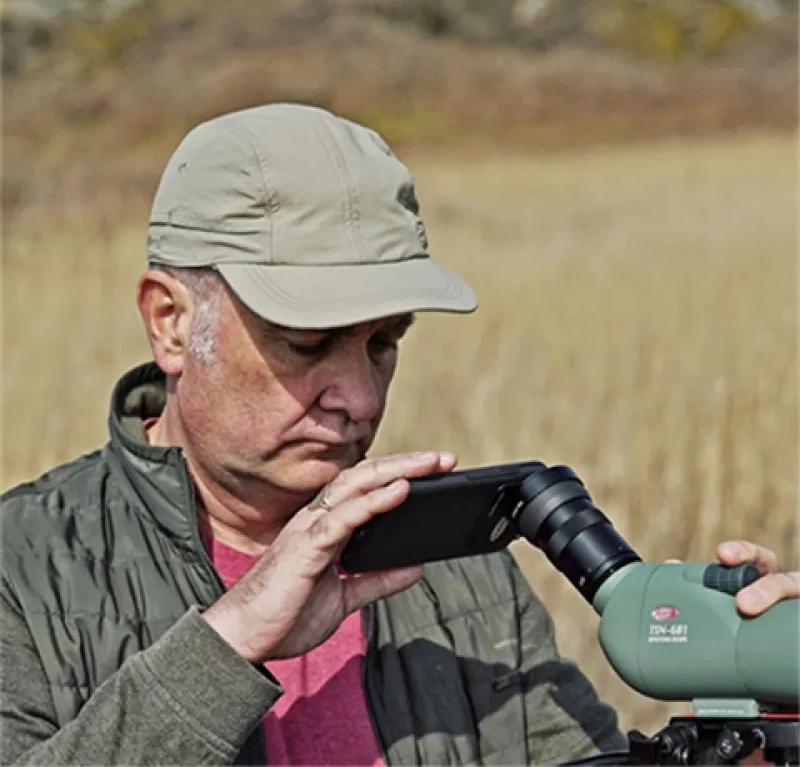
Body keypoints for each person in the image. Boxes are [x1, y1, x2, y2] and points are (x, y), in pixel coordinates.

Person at [1, 103, 796, 767]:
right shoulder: (23, 572)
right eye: (307, 344)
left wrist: (755, 719)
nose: (358, 396)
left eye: (384, 342)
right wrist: (225, 647)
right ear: (171, 323)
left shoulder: (456, 567)